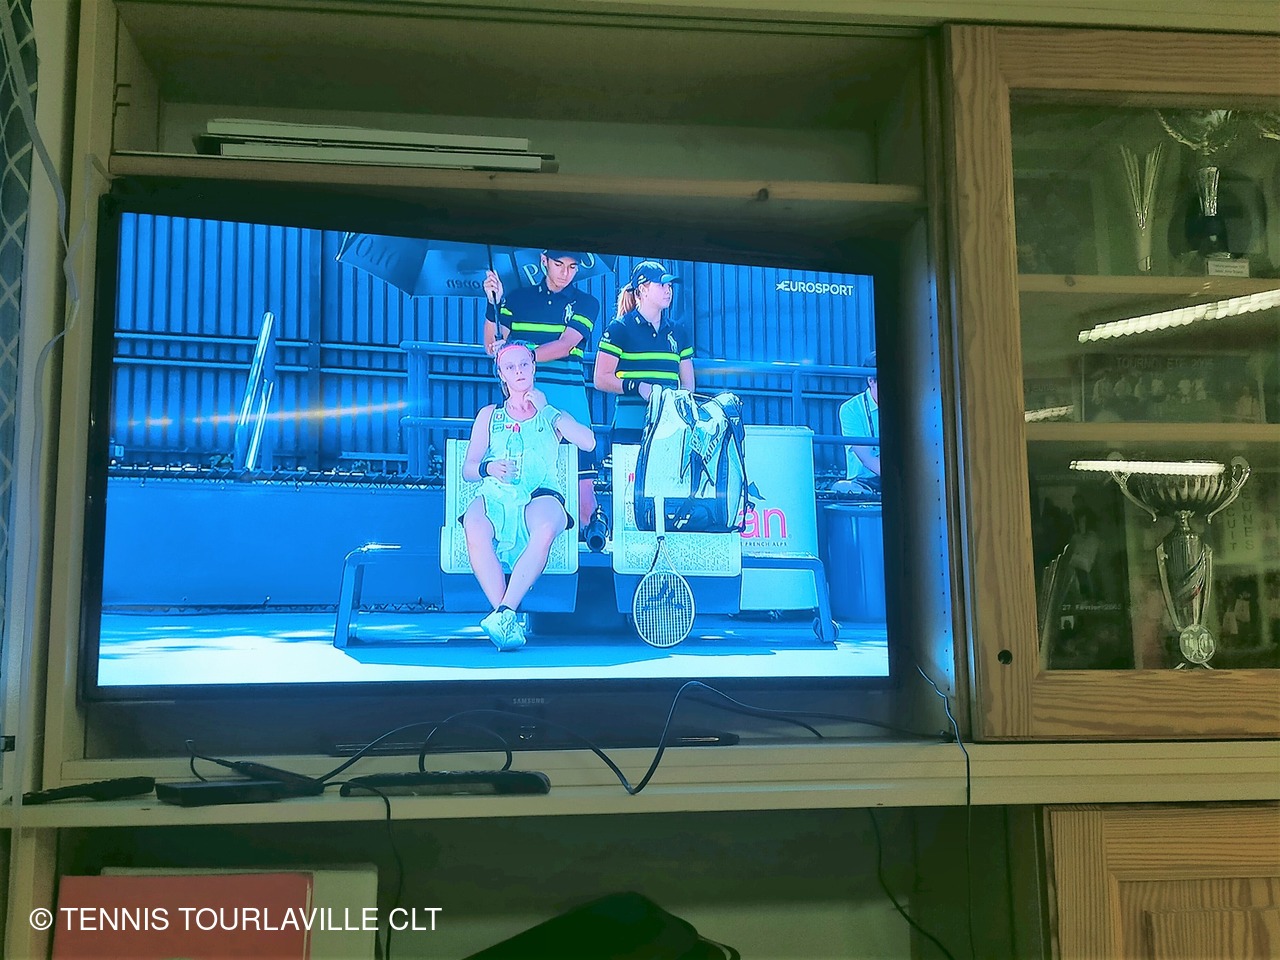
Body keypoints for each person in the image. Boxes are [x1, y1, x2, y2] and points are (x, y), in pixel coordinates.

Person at [461, 341, 597, 651]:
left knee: (546, 526)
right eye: (510, 367)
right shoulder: (490, 415)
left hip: (540, 493)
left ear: (534, 367)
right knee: (474, 524)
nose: (519, 371)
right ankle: (504, 616)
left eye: (524, 364)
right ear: (501, 374)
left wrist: (548, 411)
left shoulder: (552, 414)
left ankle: (503, 614)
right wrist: (488, 467)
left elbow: (588, 442)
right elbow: (469, 469)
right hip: (498, 491)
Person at [482, 250, 601, 527]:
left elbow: (566, 345)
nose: (565, 273)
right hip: (522, 407)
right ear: (544, 261)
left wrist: (521, 355)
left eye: (572, 267)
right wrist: (492, 304)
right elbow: (492, 346)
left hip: (569, 402)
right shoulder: (516, 299)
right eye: (559, 264)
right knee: (520, 490)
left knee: (584, 500)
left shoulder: (586, 302)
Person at [593, 260, 694, 443]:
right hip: (629, 425)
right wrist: (638, 387)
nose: (668, 290)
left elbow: (688, 385)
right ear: (643, 289)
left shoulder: (678, 332)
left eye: (670, 285)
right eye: (661, 285)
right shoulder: (619, 328)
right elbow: (600, 379)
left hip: (669, 430)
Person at [835, 352, 879, 494]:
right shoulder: (850, 409)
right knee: (842, 488)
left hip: (903, 475)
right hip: (865, 482)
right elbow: (867, 459)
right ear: (871, 381)